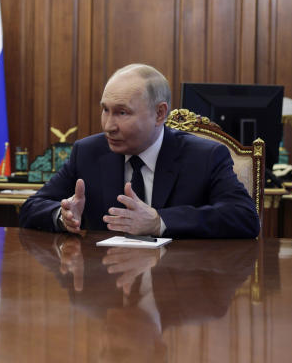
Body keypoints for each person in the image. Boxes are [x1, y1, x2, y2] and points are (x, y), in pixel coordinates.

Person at [18, 63, 259, 239]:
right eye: (105, 110)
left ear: (159, 113)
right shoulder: (88, 152)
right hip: (106, 291)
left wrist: (160, 221)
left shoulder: (205, 156)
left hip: (179, 289)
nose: (108, 126)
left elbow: (245, 218)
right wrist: (63, 216)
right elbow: (32, 207)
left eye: (122, 112)